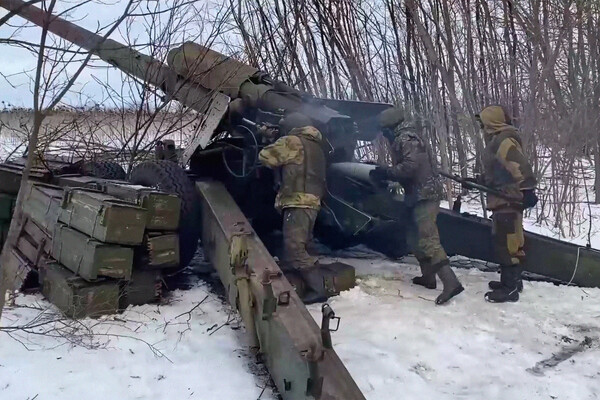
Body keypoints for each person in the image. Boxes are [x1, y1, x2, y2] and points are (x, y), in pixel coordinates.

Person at [370, 107, 464, 305]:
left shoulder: (407, 138)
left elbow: (410, 167)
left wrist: (387, 172)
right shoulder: (403, 138)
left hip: (425, 195)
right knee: (413, 237)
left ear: (391, 127)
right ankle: (428, 277)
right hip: (415, 194)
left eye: (384, 130)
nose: (383, 134)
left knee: (428, 238)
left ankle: (451, 282)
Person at [258, 112, 327, 302]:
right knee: (306, 244)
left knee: (294, 247)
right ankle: (310, 280)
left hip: (297, 200)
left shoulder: (292, 141)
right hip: (312, 201)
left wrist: (267, 137)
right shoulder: (316, 146)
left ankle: (317, 290)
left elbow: (266, 157)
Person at [474, 105, 537, 303]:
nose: (482, 128)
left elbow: (519, 165)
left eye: (484, 124)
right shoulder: (498, 140)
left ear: (492, 123)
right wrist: (480, 180)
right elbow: (499, 172)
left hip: (508, 199)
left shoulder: (503, 140)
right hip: (503, 197)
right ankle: (513, 282)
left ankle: (510, 290)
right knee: (510, 240)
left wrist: (528, 189)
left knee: (507, 243)